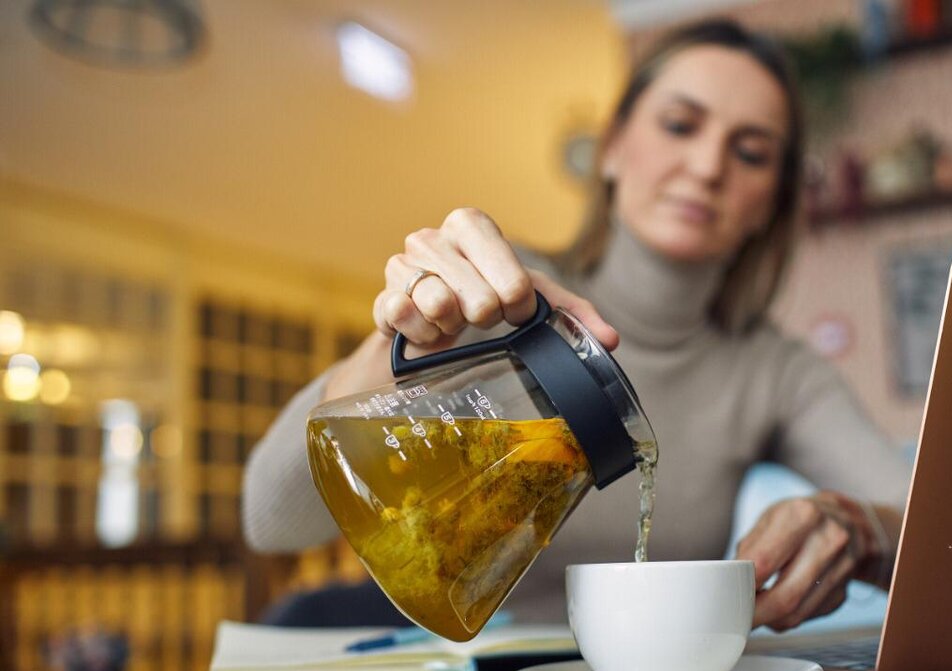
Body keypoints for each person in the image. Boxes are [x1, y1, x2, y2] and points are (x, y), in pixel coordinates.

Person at [243, 19, 911, 632]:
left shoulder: (773, 370)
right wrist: (393, 346)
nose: (708, 168)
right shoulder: (498, 292)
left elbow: (934, 528)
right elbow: (270, 521)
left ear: (771, 202)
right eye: (681, 126)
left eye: (752, 153)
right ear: (613, 149)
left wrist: (860, 529)